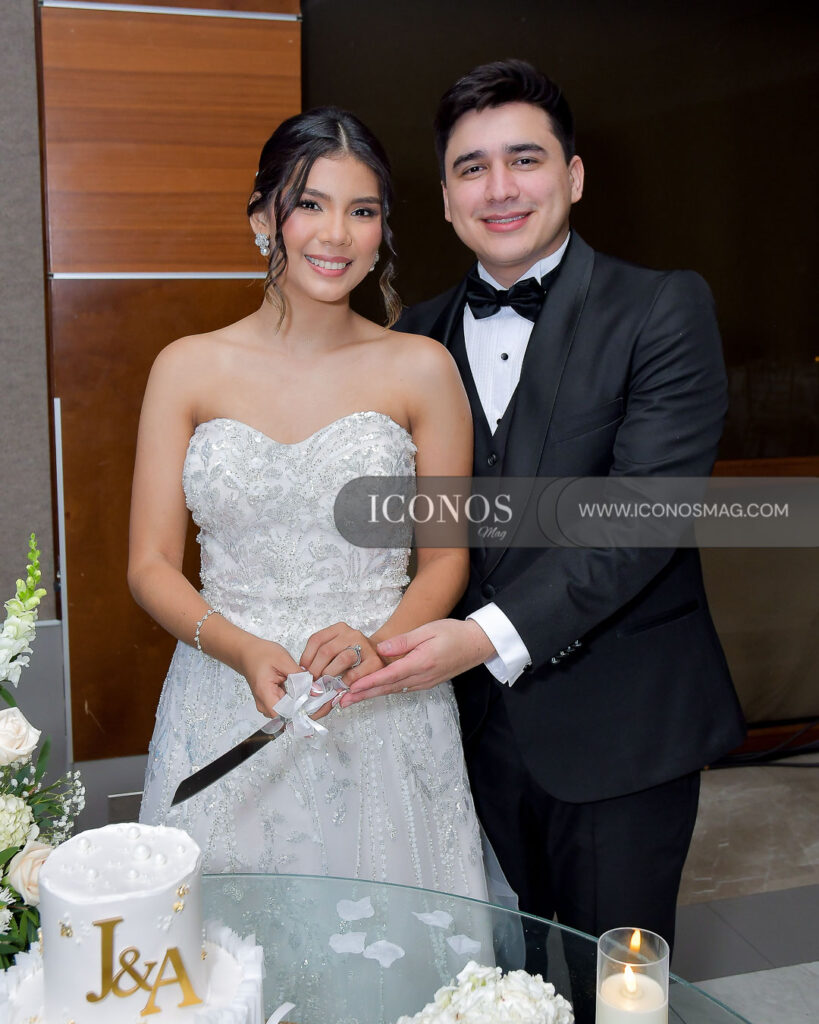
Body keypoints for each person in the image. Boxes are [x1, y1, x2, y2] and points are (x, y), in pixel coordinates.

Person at [344, 60, 746, 947]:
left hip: (620, 726)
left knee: (616, 986)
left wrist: (480, 638)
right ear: (445, 199)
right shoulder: (409, 337)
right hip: (454, 731)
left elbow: (641, 516)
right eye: (471, 167)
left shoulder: (660, 307)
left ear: (573, 175)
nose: (499, 188)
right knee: (489, 977)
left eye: (523, 160)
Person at [129, 107, 486, 899]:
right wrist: (240, 650)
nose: (336, 234)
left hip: (380, 701)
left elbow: (444, 561)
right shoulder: (186, 368)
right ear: (263, 218)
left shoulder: (422, 369)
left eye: (362, 211)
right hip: (221, 692)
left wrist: (374, 648)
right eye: (310, 205)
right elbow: (149, 565)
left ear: (382, 231)